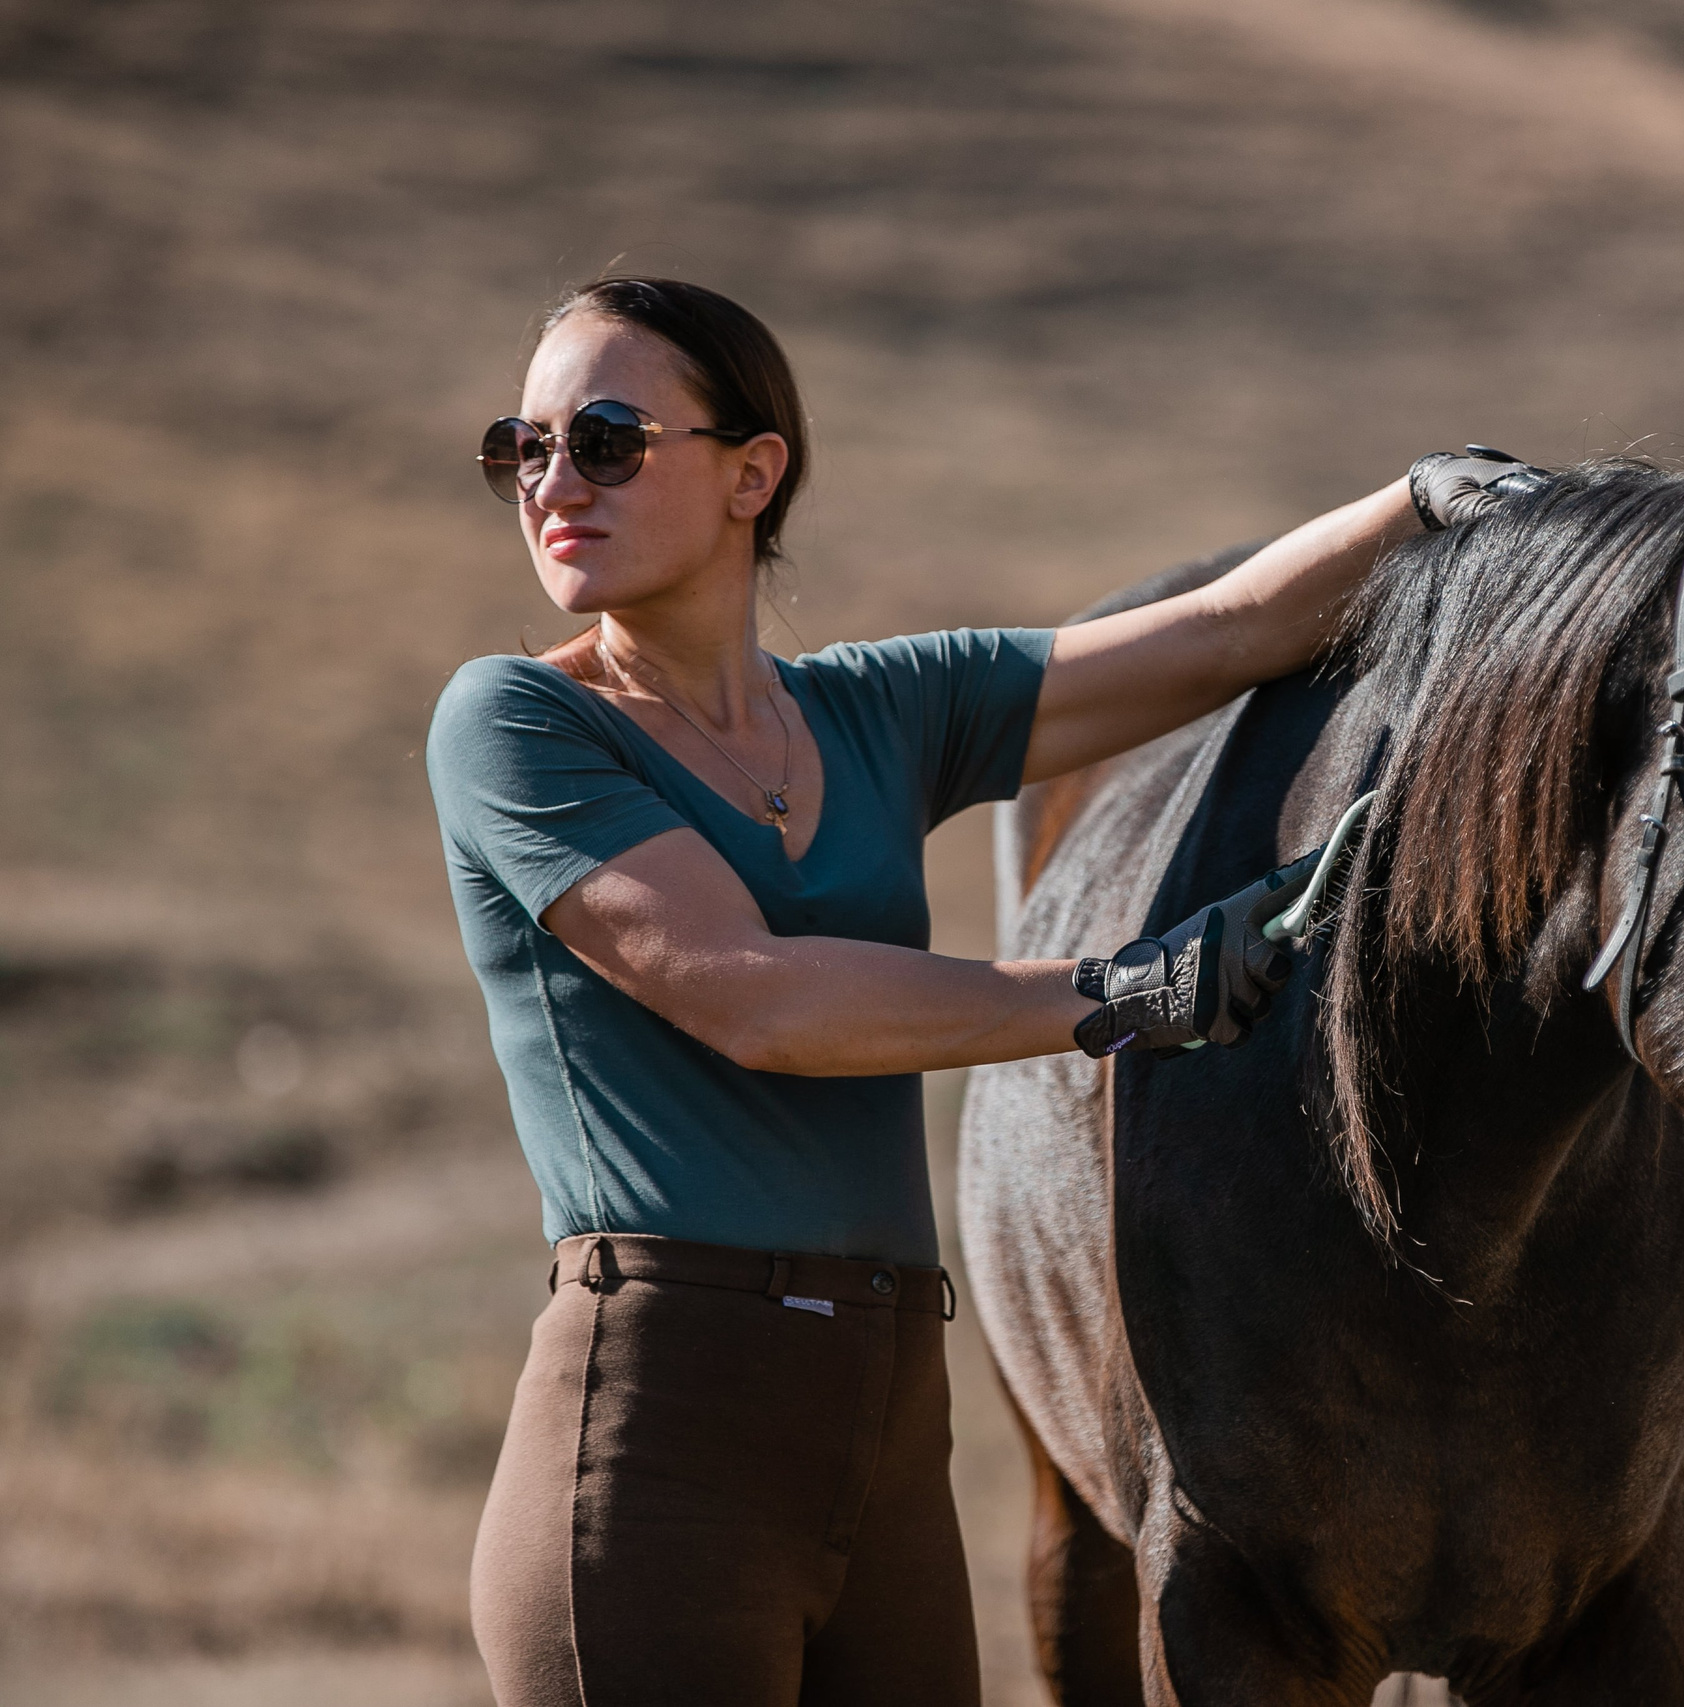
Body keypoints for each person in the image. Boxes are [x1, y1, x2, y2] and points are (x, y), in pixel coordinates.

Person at [425, 275, 1530, 1706]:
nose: (552, 481)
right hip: (658, 1435)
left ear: (754, 472)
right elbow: (762, 1000)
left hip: (889, 1428)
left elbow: (1224, 631)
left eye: (608, 439)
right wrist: (1132, 992)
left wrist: (1431, 500)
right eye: (525, 446)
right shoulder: (513, 723)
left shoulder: (882, 709)